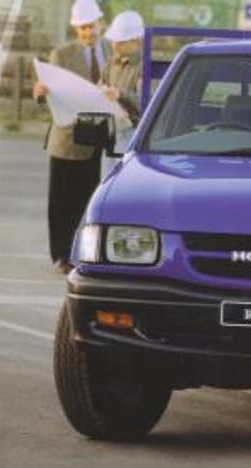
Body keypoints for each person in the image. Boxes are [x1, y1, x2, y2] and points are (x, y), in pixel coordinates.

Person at [33, 0, 111, 274]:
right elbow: (50, 94)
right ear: (76, 29)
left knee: (89, 201)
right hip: (68, 139)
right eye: (83, 28)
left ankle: (84, 254)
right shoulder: (62, 55)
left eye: (92, 26)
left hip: (101, 140)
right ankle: (61, 255)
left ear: (101, 24)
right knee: (62, 201)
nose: (88, 32)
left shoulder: (112, 51)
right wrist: (40, 94)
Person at [99, 11, 145, 178]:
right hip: (111, 133)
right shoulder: (111, 63)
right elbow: (100, 86)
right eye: (114, 40)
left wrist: (120, 95)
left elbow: (146, 102)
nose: (115, 45)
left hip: (132, 134)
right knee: (106, 182)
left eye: (121, 41)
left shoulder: (145, 66)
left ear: (137, 40)